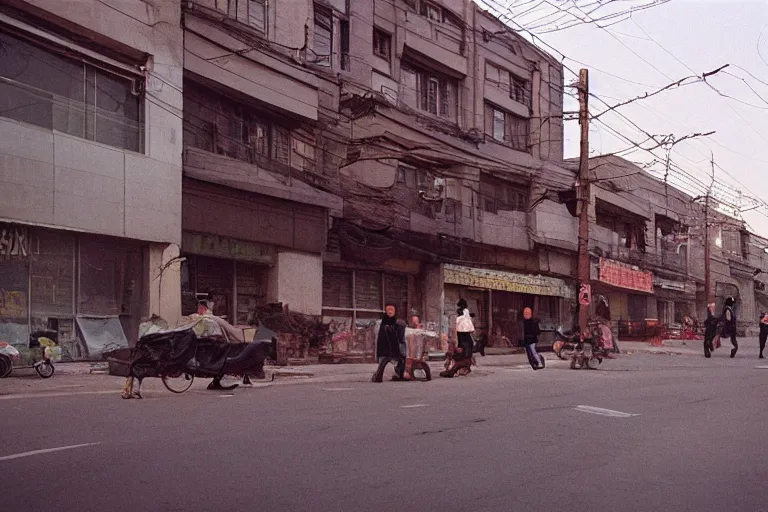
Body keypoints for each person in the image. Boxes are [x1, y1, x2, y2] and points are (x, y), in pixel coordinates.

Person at [373, 303, 407, 382]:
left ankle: (398, 374)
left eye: (392, 310)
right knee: (383, 363)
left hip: (396, 347)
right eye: (388, 310)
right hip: (384, 348)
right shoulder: (382, 323)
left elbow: (400, 337)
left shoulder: (399, 323)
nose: (390, 312)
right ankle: (379, 375)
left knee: (400, 359)